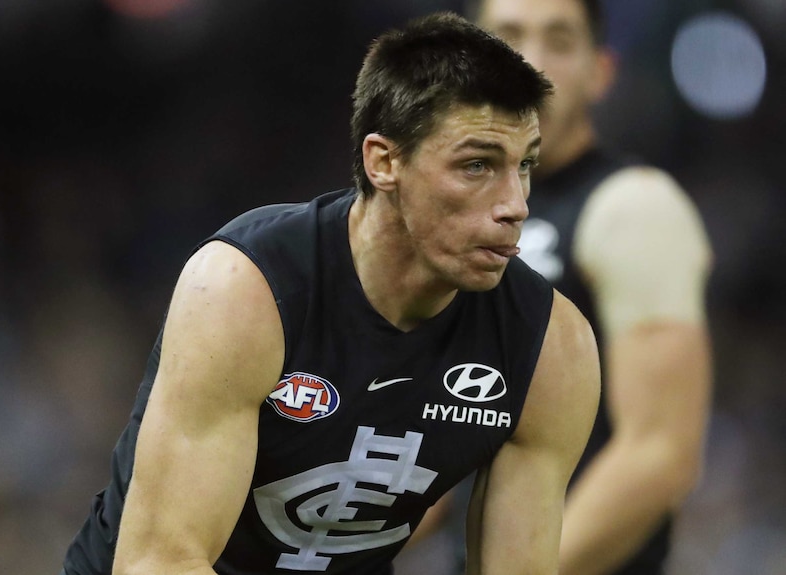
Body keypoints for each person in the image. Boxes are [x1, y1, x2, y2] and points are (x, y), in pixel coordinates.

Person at [60, 11, 602, 575]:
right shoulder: (246, 290)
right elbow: (157, 564)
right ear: (384, 161)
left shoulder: (548, 348)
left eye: (526, 166)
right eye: (476, 165)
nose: (515, 203)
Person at [397, 2, 714, 574]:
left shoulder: (633, 208)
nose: (532, 64)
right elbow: (438, 455)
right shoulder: (455, 223)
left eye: (560, 42)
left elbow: (660, 454)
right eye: (509, 38)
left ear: (601, 71)